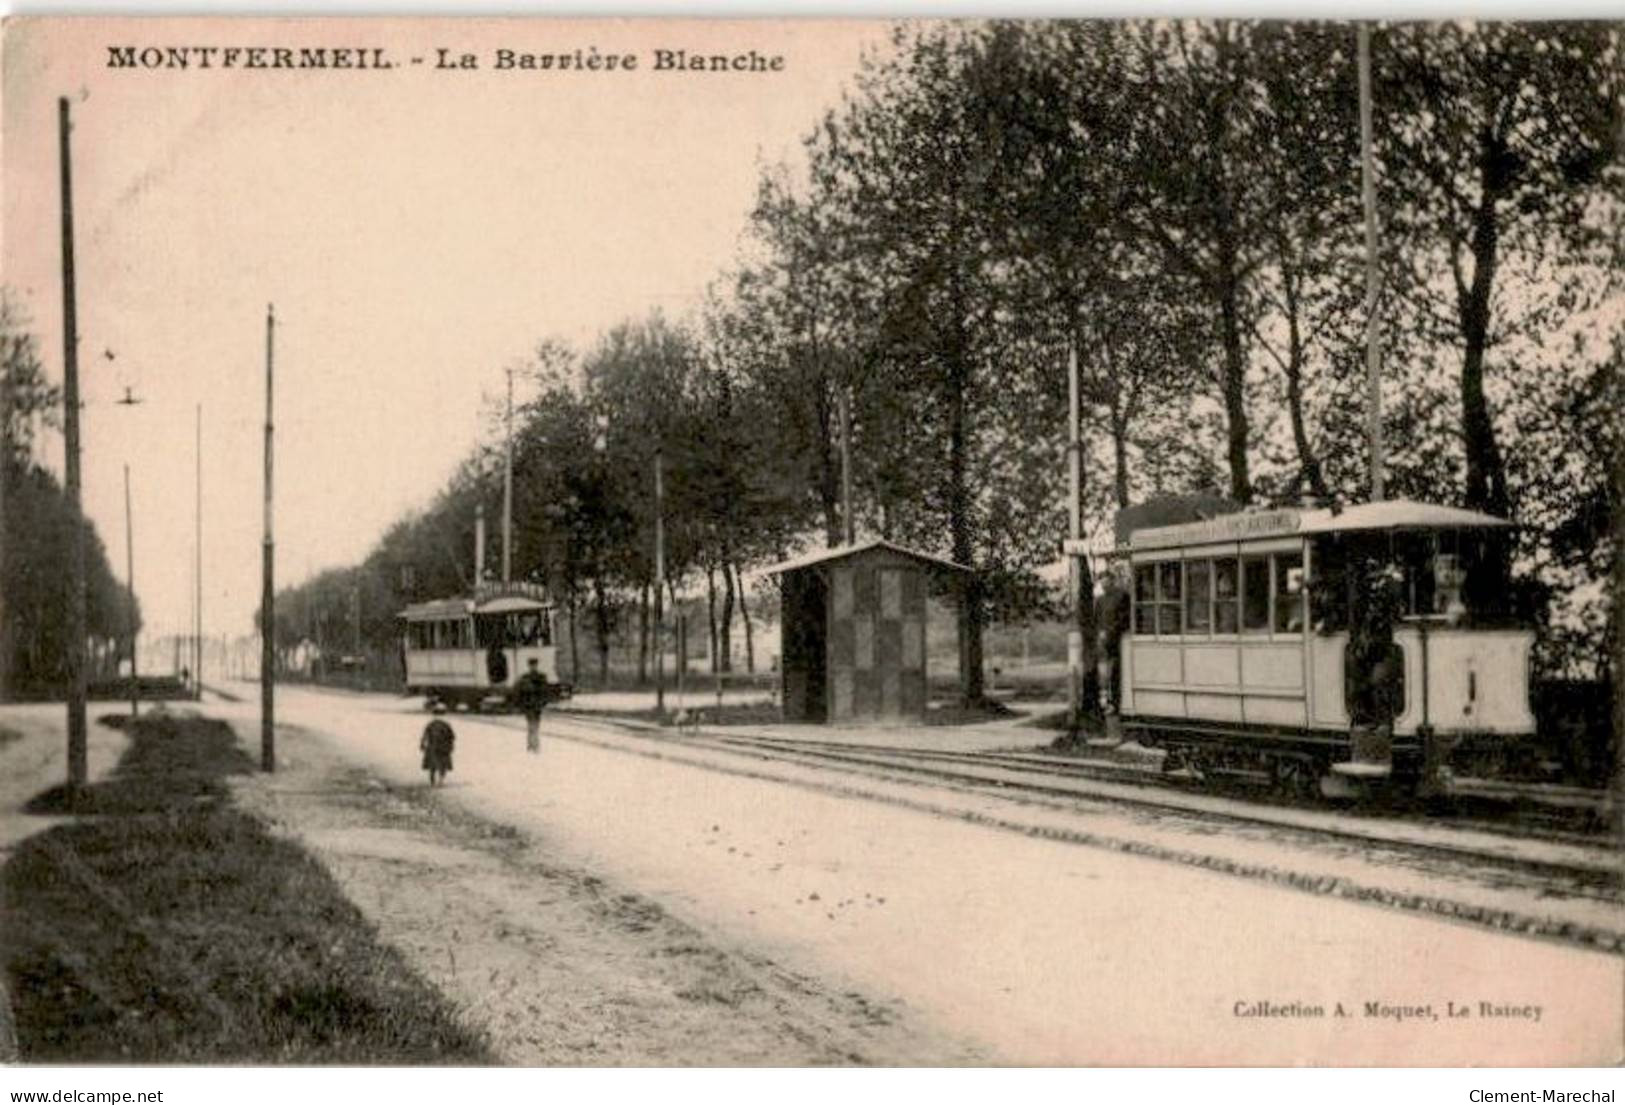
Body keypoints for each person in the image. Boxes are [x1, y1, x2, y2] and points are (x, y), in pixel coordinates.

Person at [514, 657, 550, 754]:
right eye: (531, 665)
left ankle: (532, 745)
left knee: (535, 725)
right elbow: (519, 692)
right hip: (529, 705)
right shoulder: (526, 678)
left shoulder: (539, 677)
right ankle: (533, 745)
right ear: (529, 666)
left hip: (536, 705)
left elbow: (545, 692)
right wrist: (520, 704)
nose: (533, 667)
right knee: (531, 725)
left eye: (534, 665)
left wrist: (543, 702)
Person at [420, 705, 456, 786]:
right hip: (443, 746)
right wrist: (451, 746)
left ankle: (433, 780)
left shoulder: (431, 724)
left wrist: (422, 744)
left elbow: (425, 735)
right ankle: (441, 780)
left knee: (432, 764)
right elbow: (451, 737)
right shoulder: (446, 724)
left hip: (433, 746)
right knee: (443, 764)